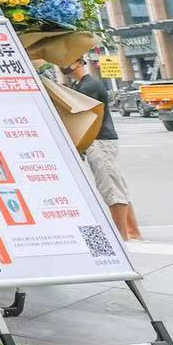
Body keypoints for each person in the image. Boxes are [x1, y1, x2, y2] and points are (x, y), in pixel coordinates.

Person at [68, 55, 141, 241]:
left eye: (68, 60)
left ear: (79, 61)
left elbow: (85, 117)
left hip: (100, 140)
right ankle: (133, 232)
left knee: (111, 188)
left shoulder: (89, 86)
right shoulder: (80, 85)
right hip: (100, 140)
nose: (64, 65)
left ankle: (121, 237)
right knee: (116, 185)